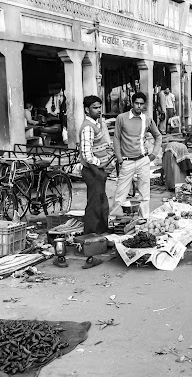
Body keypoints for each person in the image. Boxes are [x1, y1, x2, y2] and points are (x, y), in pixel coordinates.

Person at [111, 92, 162, 218]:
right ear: (132, 103)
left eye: (141, 104)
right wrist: (119, 158)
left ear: (144, 105)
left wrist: (154, 154)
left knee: (144, 194)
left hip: (143, 159)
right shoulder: (121, 118)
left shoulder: (147, 119)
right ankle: (113, 220)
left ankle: (144, 220)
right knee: (120, 194)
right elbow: (116, 138)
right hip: (126, 161)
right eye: (136, 103)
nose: (139, 106)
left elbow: (158, 136)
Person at [78, 95, 115, 269]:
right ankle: (90, 242)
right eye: (95, 107)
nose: (98, 110)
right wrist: (99, 167)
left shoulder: (97, 124)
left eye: (100, 107)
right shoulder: (87, 127)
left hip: (99, 170)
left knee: (101, 203)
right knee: (94, 205)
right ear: (87, 109)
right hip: (93, 171)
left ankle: (100, 236)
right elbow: (86, 154)